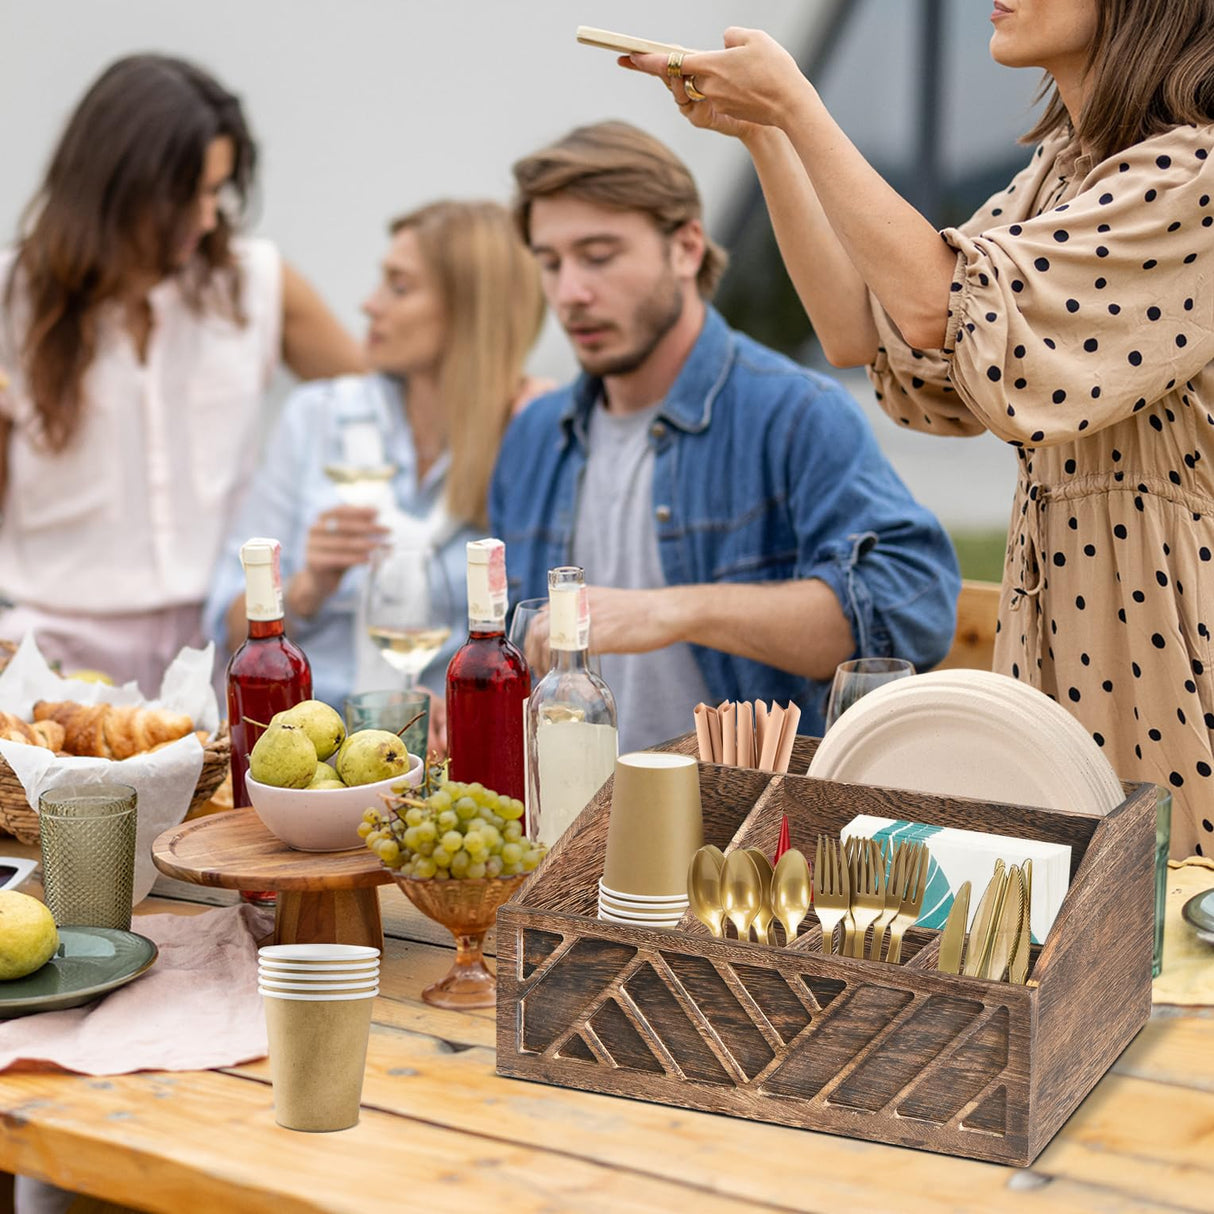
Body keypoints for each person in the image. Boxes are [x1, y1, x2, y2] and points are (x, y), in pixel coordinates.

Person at [623, 2, 1214, 857]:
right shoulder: (1064, 173)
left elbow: (942, 308)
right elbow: (863, 327)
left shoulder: (1197, 175)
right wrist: (769, 138)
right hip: (1064, 659)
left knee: (1168, 945)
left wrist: (799, 105)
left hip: (1173, 643)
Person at [490, 121, 960, 755]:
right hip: (556, 820)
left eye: (599, 256)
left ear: (686, 248)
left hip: (739, 830)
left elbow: (910, 613)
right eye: (550, 263)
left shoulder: (793, 412)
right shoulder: (533, 436)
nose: (570, 293)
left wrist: (669, 611)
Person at [0, 53, 364, 697]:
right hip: (47, 657)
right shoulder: (11, 300)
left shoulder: (255, 281)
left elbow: (378, 403)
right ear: (112, 189)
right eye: (186, 195)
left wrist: (507, 394)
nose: (206, 216)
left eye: (217, 191)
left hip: (222, 650)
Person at [203, 199, 547, 748]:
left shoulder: (534, 435)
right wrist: (309, 587)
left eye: (399, 287)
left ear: (469, 310)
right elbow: (222, 621)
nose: (369, 304)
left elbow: (546, 637)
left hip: (453, 756)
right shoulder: (318, 417)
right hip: (307, 755)